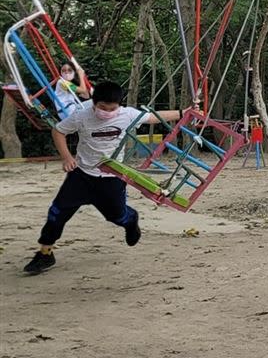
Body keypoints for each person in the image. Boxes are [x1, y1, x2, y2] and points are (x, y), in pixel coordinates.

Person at [23, 81, 186, 275]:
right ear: (94, 102)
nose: (107, 112)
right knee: (57, 213)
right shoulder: (81, 114)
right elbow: (59, 131)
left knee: (117, 216)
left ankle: (131, 220)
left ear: (119, 105)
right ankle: (45, 253)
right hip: (82, 175)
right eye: (102, 108)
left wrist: (184, 112)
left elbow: (153, 118)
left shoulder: (128, 115)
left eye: (112, 108)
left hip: (111, 177)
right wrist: (67, 157)